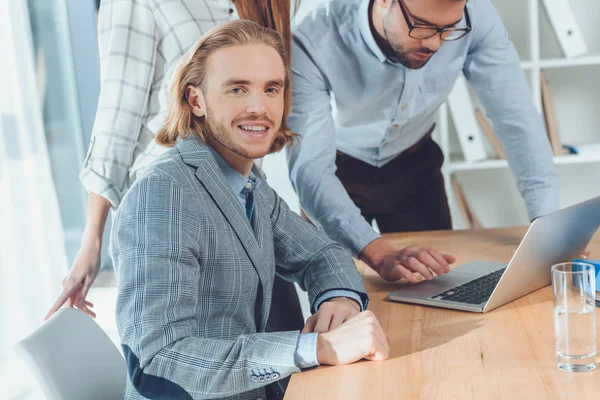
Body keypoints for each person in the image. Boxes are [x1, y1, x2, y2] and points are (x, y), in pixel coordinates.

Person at [111, 20, 389, 400]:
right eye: (237, 89)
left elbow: (322, 254)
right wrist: (314, 348)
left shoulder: (246, 183)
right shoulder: (164, 195)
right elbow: (159, 361)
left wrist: (338, 300)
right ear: (196, 101)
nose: (259, 107)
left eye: (271, 88)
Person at [46, 0, 297, 320]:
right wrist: (92, 239)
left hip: (243, 199)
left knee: (288, 334)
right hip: (174, 208)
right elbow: (117, 115)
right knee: (202, 354)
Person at [287, 0, 558, 282]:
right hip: (337, 175)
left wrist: (547, 224)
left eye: (448, 29)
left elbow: (516, 117)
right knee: (342, 299)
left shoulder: (475, 15)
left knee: (439, 290)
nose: (435, 44)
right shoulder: (312, 36)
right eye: (422, 27)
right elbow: (311, 171)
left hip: (415, 168)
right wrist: (378, 254)